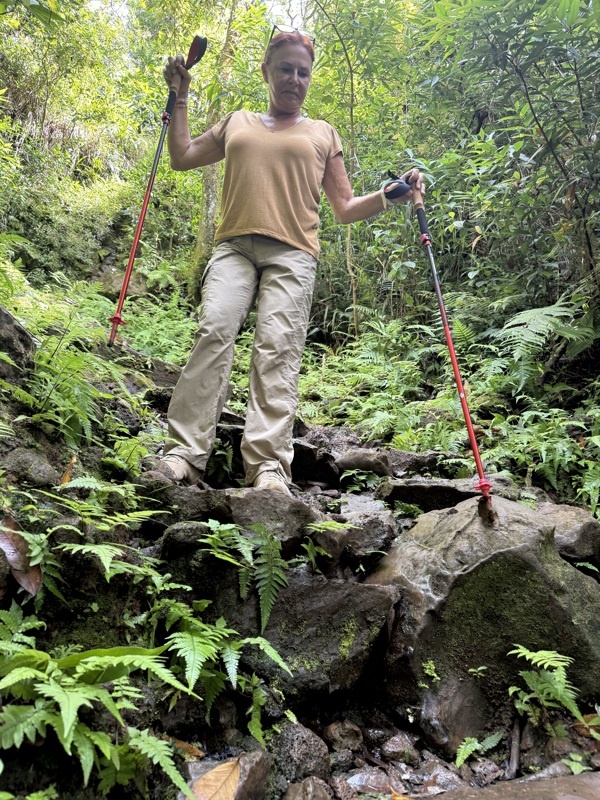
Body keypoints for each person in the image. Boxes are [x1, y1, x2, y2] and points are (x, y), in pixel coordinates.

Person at [153, 27, 425, 496]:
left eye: (303, 72)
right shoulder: (237, 121)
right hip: (234, 247)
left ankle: (267, 468)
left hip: (294, 253)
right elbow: (181, 157)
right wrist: (180, 98)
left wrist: (388, 195)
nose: (294, 79)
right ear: (266, 71)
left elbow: (343, 208)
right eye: (285, 69)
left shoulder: (323, 133)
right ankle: (183, 454)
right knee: (215, 329)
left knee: (277, 347)